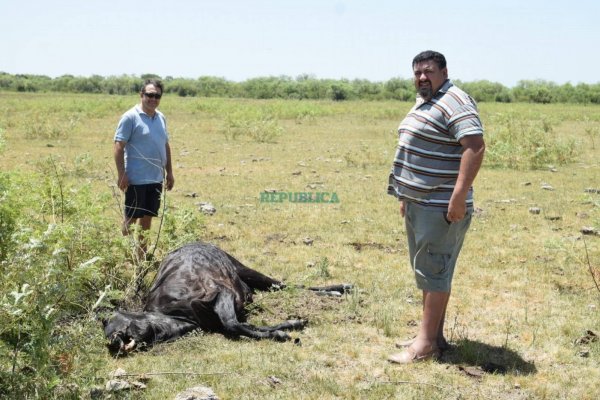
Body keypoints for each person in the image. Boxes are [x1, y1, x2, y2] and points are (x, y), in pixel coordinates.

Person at [386, 51, 485, 364]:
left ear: (444, 71)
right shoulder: (426, 101)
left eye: (428, 71)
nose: (422, 78)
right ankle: (432, 336)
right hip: (420, 202)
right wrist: (405, 195)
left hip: (441, 205)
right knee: (428, 271)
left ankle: (425, 345)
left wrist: (459, 195)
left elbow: (474, 146)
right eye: (417, 73)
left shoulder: (455, 100)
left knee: (435, 270)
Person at [114, 79, 174, 260]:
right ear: (141, 95)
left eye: (157, 95)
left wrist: (169, 172)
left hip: (156, 177)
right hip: (136, 178)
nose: (153, 99)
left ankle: (141, 254)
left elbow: (165, 144)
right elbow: (118, 146)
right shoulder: (130, 117)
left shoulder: (160, 117)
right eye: (149, 95)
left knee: (147, 217)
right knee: (131, 218)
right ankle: (124, 254)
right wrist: (122, 174)